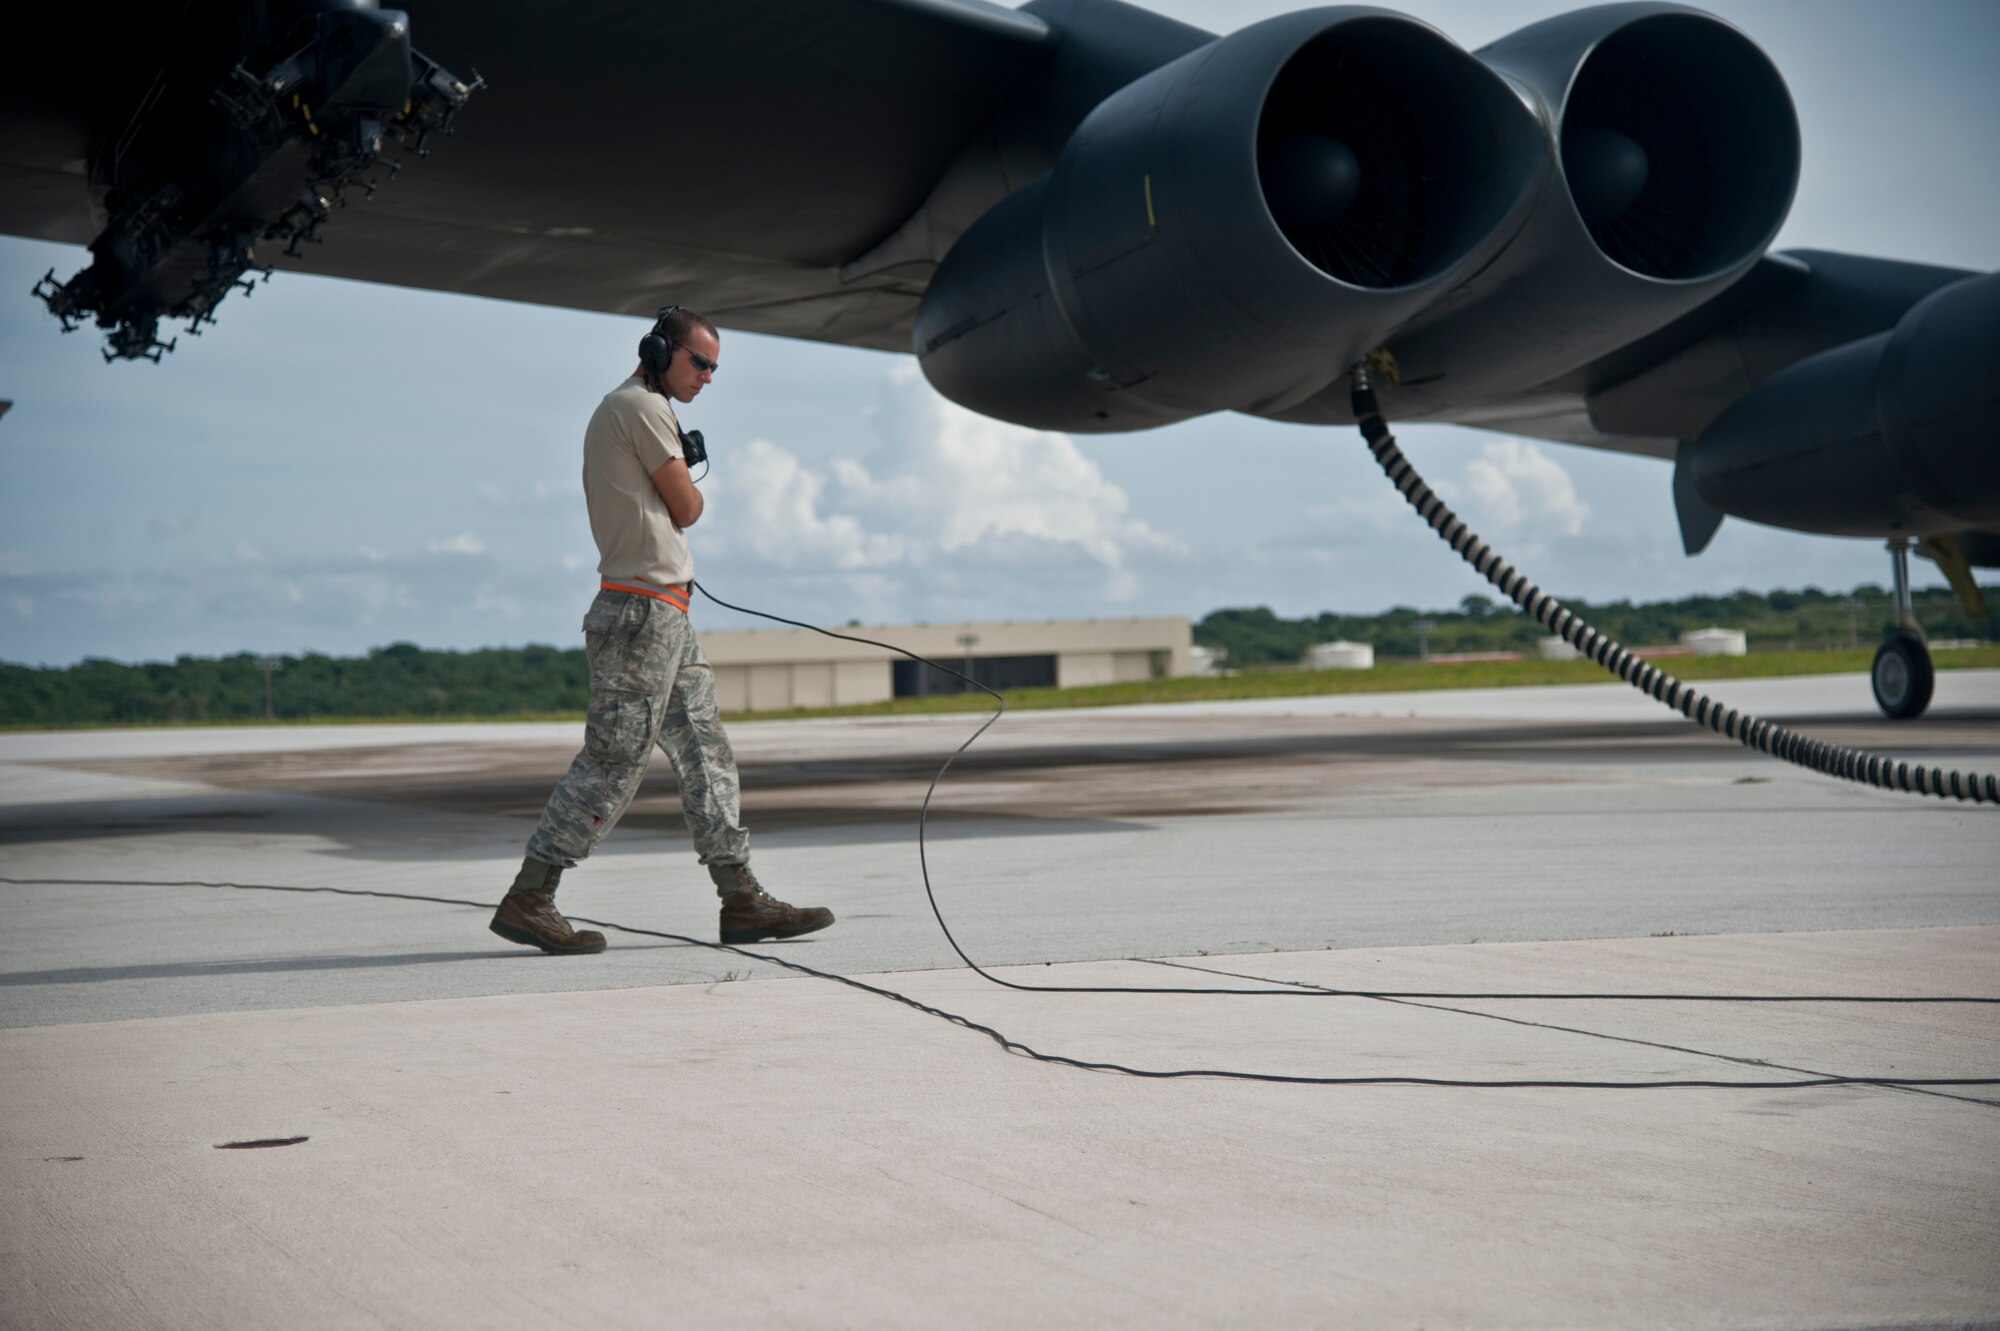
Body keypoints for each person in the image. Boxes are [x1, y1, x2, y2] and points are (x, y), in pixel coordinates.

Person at [490, 306, 834, 954]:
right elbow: (687, 507)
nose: (707, 376)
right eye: (698, 361)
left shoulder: (643, 410)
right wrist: (689, 475)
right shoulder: (640, 409)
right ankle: (530, 895)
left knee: (705, 749)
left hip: (665, 614)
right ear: (657, 350)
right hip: (639, 613)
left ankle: (742, 898)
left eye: (713, 366)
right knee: (614, 758)